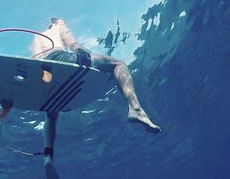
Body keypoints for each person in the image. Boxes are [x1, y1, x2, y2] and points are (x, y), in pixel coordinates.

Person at [31, 18, 161, 179]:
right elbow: (70, 41)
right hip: (59, 58)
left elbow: (33, 61)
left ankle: (48, 155)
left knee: (51, 113)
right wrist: (79, 49)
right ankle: (135, 108)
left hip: (41, 74)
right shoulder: (57, 25)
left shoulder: (35, 39)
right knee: (117, 64)